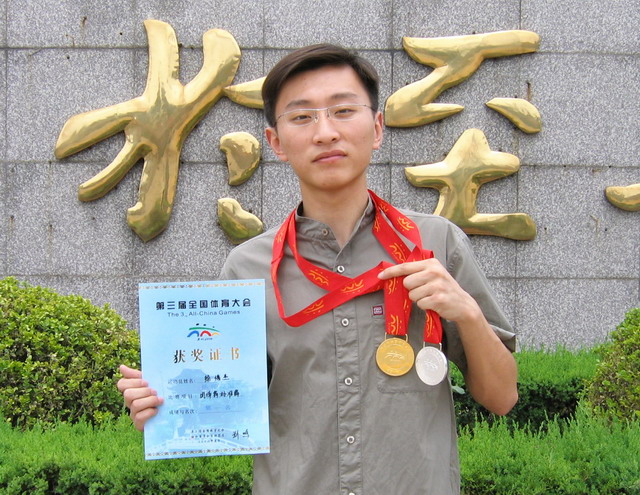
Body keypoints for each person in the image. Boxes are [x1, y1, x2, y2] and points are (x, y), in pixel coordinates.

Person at [118, 44, 518, 495]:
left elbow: (502, 397)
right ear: (276, 142)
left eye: (343, 111)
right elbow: (224, 400)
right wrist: (167, 404)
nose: (325, 133)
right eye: (302, 116)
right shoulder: (248, 268)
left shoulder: (435, 244)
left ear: (377, 128)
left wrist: (466, 312)